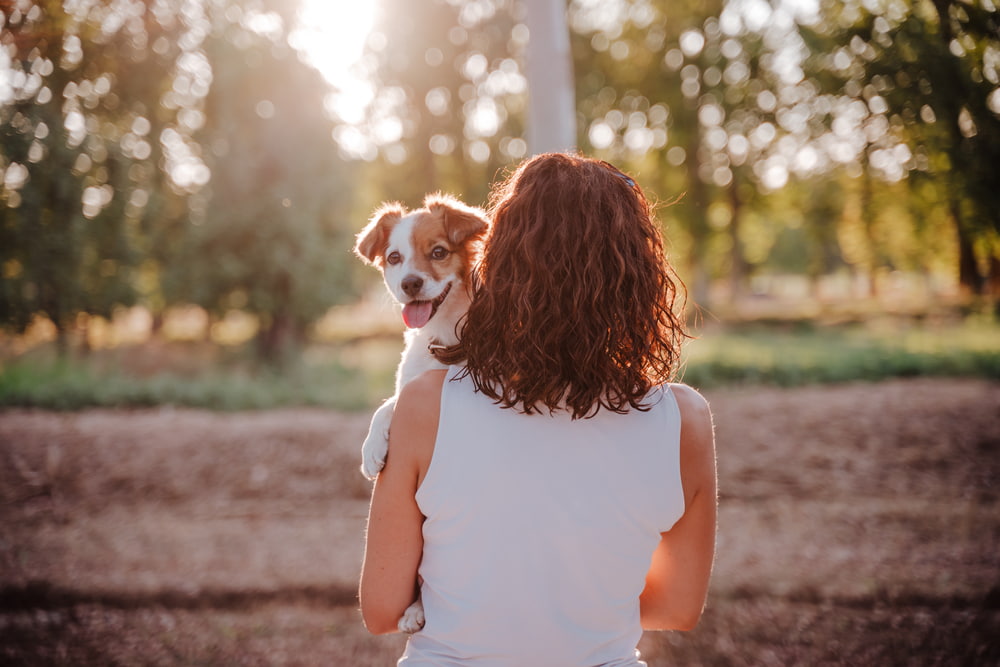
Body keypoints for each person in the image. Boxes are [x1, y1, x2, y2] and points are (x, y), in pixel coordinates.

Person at [359, 152, 717, 666]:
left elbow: (381, 609)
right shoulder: (685, 419)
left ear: (495, 261)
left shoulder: (422, 403)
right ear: (640, 275)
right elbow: (678, 608)